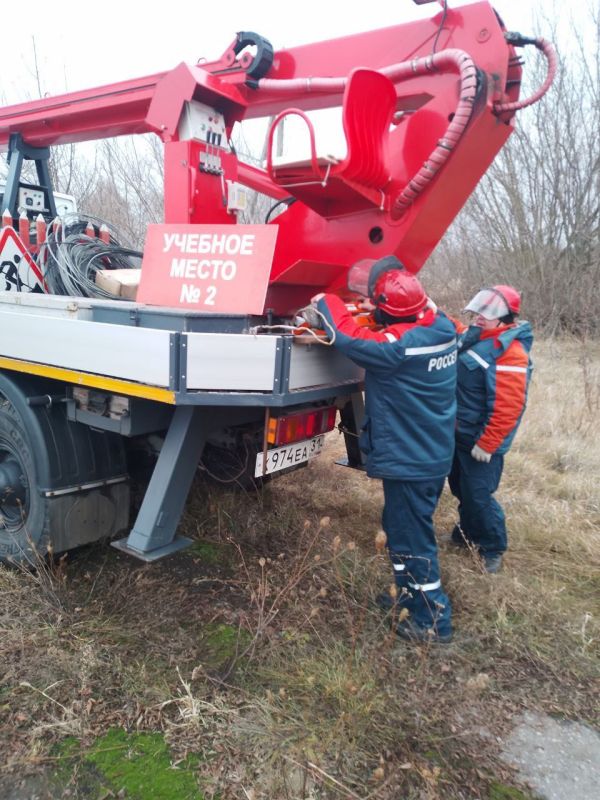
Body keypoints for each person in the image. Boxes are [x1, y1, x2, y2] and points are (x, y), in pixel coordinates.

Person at [312, 255, 457, 643]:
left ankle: (430, 623)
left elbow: (348, 338)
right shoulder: (442, 327)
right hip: (427, 453)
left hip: (412, 459)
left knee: (411, 536)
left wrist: (327, 299)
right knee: (400, 527)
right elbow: (414, 319)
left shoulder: (397, 349)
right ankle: (407, 597)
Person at [448, 285, 533, 573]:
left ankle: (492, 546)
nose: (479, 317)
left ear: (505, 318)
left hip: (480, 441)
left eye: (488, 313)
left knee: (478, 495)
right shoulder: (477, 337)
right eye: (479, 311)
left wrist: (488, 443)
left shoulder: (511, 352)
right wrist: (425, 308)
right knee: (461, 488)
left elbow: (509, 406)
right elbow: (455, 327)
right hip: (459, 435)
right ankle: (467, 532)